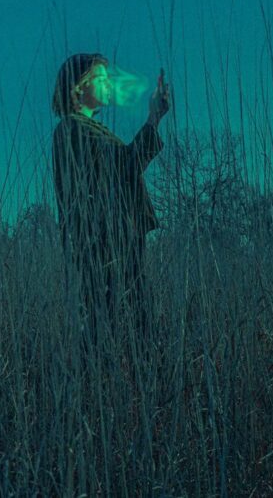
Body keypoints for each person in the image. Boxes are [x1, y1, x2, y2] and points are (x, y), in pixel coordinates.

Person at [51, 54, 170, 353]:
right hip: (104, 246)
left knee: (131, 322)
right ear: (79, 87)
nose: (108, 84)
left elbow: (121, 168)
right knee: (114, 324)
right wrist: (153, 120)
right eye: (100, 78)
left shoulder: (89, 128)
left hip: (118, 242)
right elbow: (124, 168)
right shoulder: (72, 129)